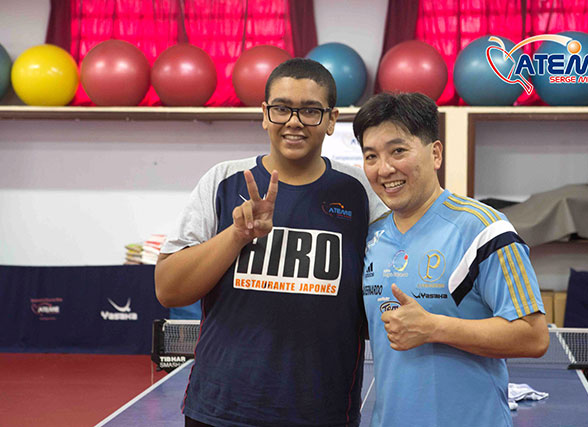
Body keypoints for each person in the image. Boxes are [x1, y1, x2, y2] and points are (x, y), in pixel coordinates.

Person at [155, 58, 386, 427]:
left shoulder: (360, 192)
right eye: (282, 108)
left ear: (331, 120)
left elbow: (384, 293)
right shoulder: (224, 180)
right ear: (265, 114)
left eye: (310, 110)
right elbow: (168, 289)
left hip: (321, 412)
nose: (294, 121)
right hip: (221, 410)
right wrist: (236, 235)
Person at [352, 92, 550, 427]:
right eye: (371, 156)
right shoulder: (371, 237)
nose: (384, 169)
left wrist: (434, 327)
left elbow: (534, 336)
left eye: (398, 151)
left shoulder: (485, 229)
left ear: (435, 153)